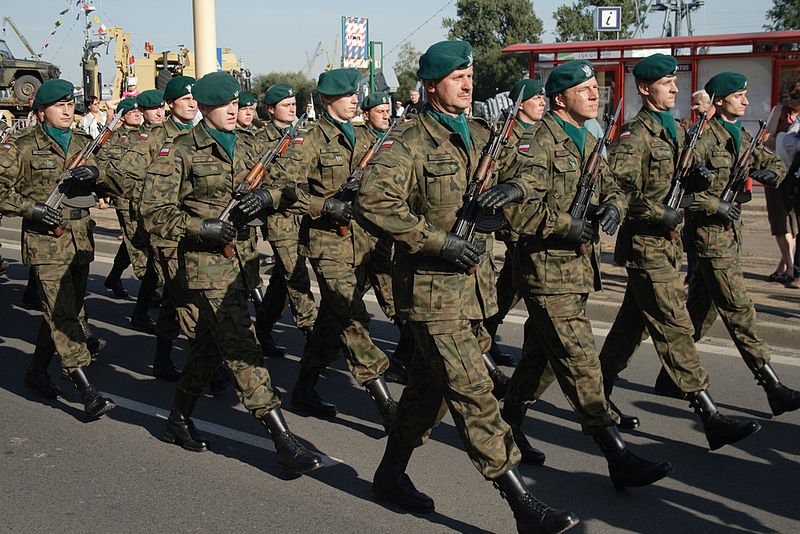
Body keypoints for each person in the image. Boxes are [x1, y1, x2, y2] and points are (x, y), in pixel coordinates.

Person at [355, 40, 578, 534]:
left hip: (475, 291)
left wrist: (514, 190)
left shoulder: (481, 133)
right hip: (433, 293)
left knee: (426, 394)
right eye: (457, 76)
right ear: (432, 85)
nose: (467, 83)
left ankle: (390, 473)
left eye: (470, 75)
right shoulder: (408, 140)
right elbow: (372, 202)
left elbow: (532, 173)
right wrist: (437, 242)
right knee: (476, 394)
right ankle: (523, 506)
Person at [487, 59, 674, 490]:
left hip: (576, 271)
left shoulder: (587, 139)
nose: (595, 94)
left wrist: (612, 206)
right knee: (580, 362)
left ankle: (509, 422)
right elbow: (519, 206)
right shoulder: (539, 142)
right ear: (559, 99)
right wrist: (567, 225)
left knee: (540, 360)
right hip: (546, 272)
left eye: (596, 87)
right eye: (585, 89)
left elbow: (613, 186)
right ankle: (617, 455)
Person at [140, 71, 322, 473]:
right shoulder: (180, 152)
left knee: (207, 346)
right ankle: (282, 440)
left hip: (241, 263)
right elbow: (153, 212)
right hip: (204, 268)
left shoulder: (247, 145)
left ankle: (177, 419)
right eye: (224, 106)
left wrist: (265, 196)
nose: (233, 111)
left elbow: (287, 187)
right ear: (204, 108)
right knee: (242, 347)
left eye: (236, 105)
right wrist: (199, 228)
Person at [597, 54, 762, 451]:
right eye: (666, 83)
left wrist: (694, 181)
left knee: (628, 330)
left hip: (668, 247)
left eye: (675, 81)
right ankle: (709, 415)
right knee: (675, 327)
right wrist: (661, 211)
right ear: (644, 89)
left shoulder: (679, 132)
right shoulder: (635, 136)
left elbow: (679, 182)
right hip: (646, 246)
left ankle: (596, 396)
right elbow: (615, 190)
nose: (675, 88)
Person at [278, 68, 398, 429]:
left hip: (362, 241)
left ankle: (304, 388)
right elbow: (285, 189)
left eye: (355, 95)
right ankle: (385, 403)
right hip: (328, 242)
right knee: (350, 316)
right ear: (328, 99)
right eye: (347, 95)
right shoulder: (310, 139)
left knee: (331, 319)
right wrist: (324, 206)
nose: (354, 100)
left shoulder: (364, 136)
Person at [682, 71, 800, 417]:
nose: (745, 101)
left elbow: (774, 164)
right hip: (708, 237)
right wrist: (716, 203)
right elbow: (683, 194)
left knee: (699, 314)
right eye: (739, 95)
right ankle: (772, 386)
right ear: (719, 101)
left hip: (729, 235)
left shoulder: (742, 134)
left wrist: (771, 174)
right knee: (739, 311)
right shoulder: (702, 139)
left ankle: (669, 376)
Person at [0, 79, 115, 418]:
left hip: (80, 239)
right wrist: (32, 209)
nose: (67, 111)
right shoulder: (20, 146)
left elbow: (114, 179)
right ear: (41, 112)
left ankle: (36, 371)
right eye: (59, 106)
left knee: (62, 310)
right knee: (64, 315)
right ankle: (86, 390)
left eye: (70, 105)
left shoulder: (84, 142)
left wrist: (97, 173)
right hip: (46, 242)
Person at [484, 78, 548, 371]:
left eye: (544, 98)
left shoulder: (542, 133)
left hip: (538, 220)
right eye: (536, 98)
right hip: (515, 222)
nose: (542, 102)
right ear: (521, 103)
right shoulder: (507, 136)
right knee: (527, 283)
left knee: (510, 286)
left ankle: (486, 335)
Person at [253, 83, 318, 357]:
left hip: (306, 215)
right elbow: (256, 182)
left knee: (282, 280)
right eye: (286, 105)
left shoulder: (305, 135)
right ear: (270, 109)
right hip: (281, 219)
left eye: (294, 104)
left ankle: (263, 329)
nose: (293, 108)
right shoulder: (260, 142)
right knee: (297, 277)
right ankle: (314, 336)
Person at [360, 91, 416, 385]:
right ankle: (306, 380)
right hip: (351, 241)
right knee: (342, 313)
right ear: (366, 114)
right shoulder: (358, 139)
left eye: (387, 110)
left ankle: (402, 362)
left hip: (382, 242)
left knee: (400, 306)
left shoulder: (397, 141)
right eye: (379, 111)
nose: (385, 115)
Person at [102, 97, 143, 299]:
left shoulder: (147, 134)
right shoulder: (113, 137)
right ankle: (149, 290)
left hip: (143, 195)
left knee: (134, 238)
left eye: (139, 112)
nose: (138, 114)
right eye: (133, 112)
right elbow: (103, 165)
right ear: (124, 115)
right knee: (135, 239)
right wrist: (105, 192)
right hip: (124, 196)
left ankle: (114, 275)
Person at [763, 80, 800, 287]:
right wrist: (783, 138)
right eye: (788, 94)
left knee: (794, 225)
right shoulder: (780, 112)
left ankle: (786, 265)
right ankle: (789, 265)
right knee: (780, 223)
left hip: (796, 176)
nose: (789, 99)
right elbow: (766, 139)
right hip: (778, 173)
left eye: (794, 96)